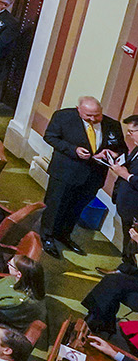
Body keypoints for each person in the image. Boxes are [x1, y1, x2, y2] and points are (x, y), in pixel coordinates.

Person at [43, 94, 121, 257]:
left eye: (97, 115)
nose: (93, 119)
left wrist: (110, 153)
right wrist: (73, 150)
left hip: (93, 177)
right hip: (65, 172)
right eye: (88, 116)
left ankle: (64, 235)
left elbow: (121, 149)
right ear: (79, 110)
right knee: (55, 205)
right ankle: (47, 236)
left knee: (76, 208)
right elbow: (50, 137)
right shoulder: (63, 117)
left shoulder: (112, 125)